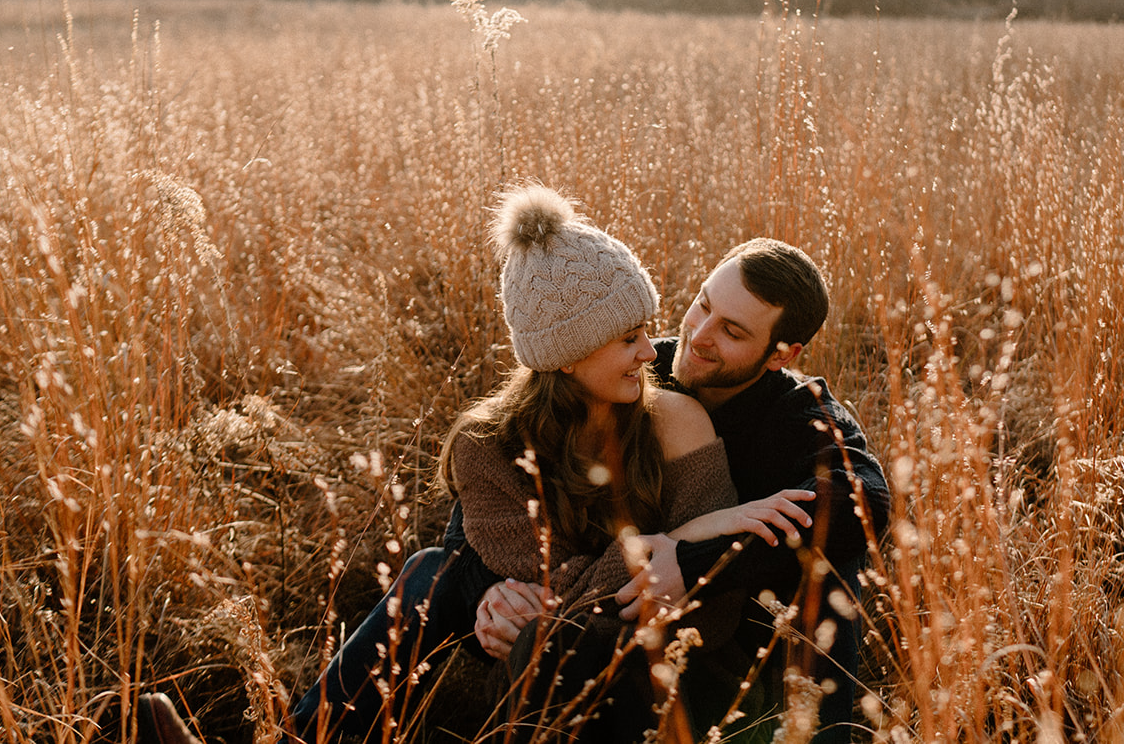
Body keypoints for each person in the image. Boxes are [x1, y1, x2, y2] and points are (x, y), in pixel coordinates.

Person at [137, 185, 814, 744]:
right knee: (445, 578)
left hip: (649, 672)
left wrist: (673, 553)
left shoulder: (676, 420)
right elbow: (536, 598)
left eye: (648, 328)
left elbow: (711, 610)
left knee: (535, 628)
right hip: (528, 661)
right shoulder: (487, 444)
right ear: (568, 353)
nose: (654, 352)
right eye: (630, 338)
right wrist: (675, 540)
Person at [482, 238, 891, 742]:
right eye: (703, 304)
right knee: (433, 570)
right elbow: (509, 451)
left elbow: (864, 500)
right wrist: (493, 589)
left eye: (732, 331)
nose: (699, 334)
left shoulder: (800, 416)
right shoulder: (639, 367)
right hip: (608, 604)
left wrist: (693, 562)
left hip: (738, 644)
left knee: (829, 558)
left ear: (782, 355)